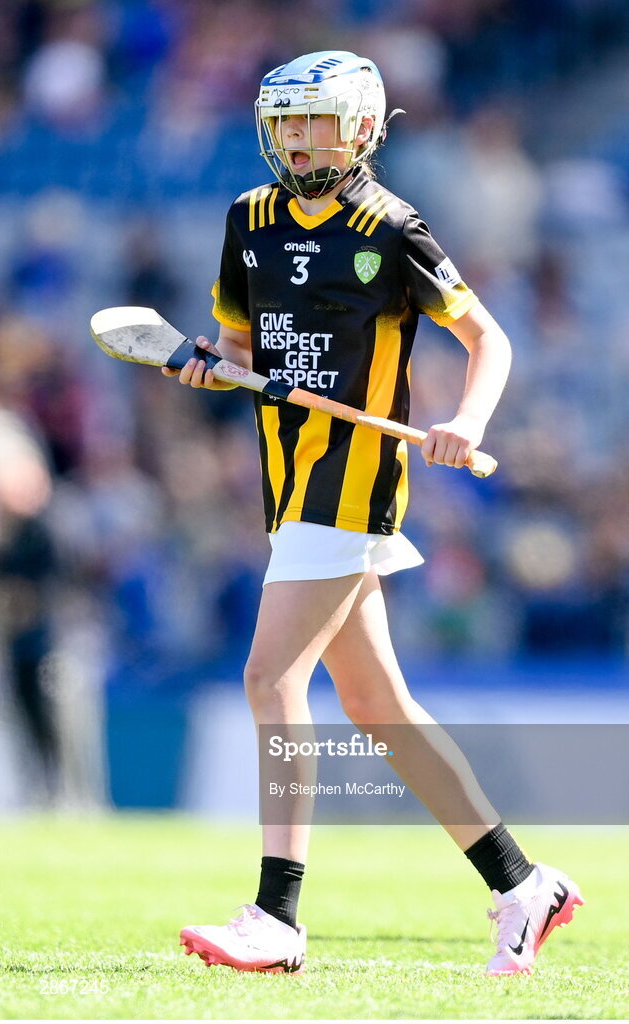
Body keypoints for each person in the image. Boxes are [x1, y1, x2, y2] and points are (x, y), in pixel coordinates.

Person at [163, 51, 583, 976]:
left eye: (314, 121)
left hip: (353, 484)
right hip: (289, 482)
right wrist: (209, 362)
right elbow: (240, 346)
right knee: (378, 706)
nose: (296, 139)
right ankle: (522, 885)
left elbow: (487, 337)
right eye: (284, 122)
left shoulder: (392, 229)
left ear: (360, 128)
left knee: (271, 678)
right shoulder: (249, 220)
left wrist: (462, 422)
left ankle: (276, 916)